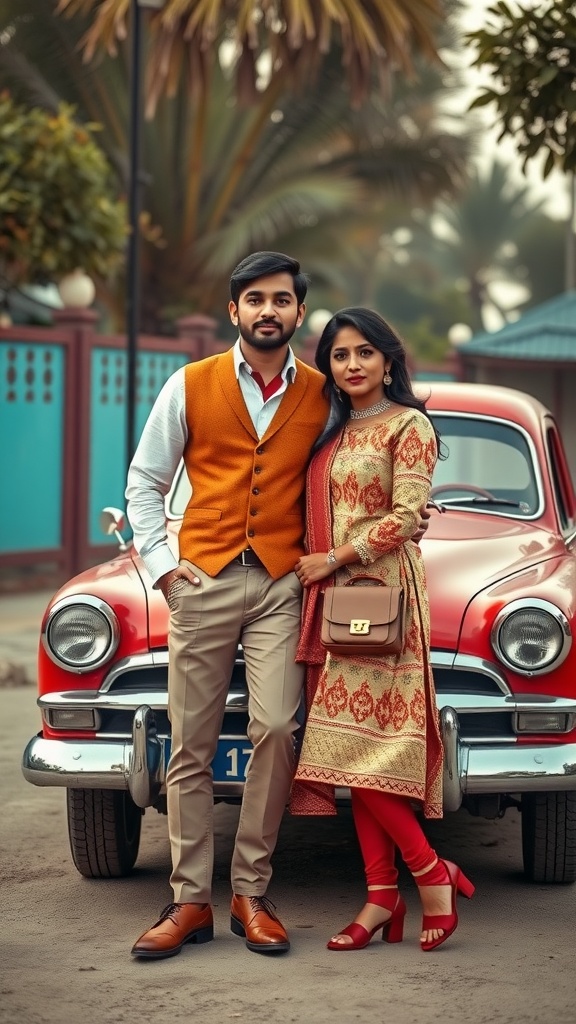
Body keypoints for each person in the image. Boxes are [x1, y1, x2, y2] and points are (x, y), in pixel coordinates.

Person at [126, 254, 429, 961]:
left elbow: (374, 451)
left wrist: (409, 507)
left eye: (282, 300)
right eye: (255, 299)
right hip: (201, 580)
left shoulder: (326, 392)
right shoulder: (189, 384)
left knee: (273, 730)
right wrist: (167, 572)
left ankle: (251, 893)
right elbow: (145, 481)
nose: (269, 310)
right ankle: (189, 900)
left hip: (282, 585)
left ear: (299, 314)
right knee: (190, 743)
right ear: (235, 311)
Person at [291, 306, 475, 952]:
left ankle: (430, 876)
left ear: (389, 359)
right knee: (349, 757)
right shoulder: (332, 431)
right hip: (335, 605)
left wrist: (334, 558)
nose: (352, 365)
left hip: (385, 602)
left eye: (364, 352)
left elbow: (405, 516)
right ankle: (380, 899)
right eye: (340, 356)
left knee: (372, 758)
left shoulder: (410, 425)